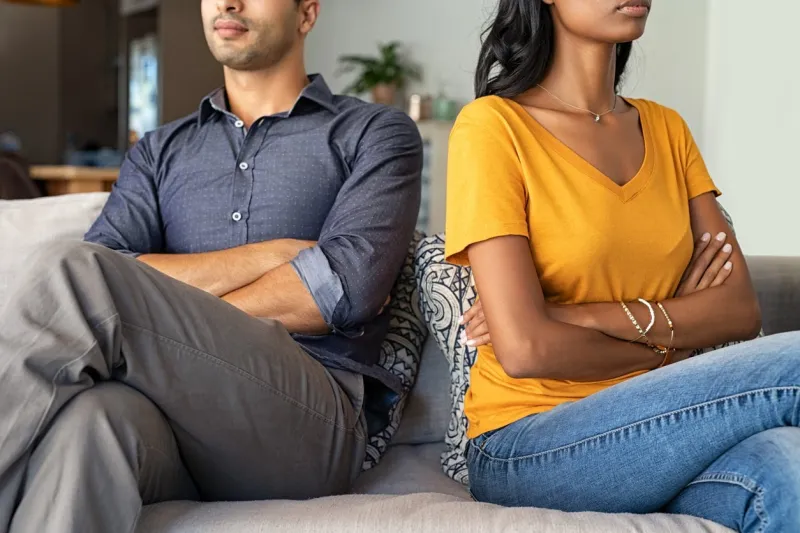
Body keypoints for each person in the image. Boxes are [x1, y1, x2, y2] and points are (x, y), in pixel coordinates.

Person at [0, 0, 422, 532]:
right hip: (173, 417)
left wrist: (152, 312)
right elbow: (110, 263)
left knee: (73, 273)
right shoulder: (159, 151)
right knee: (92, 424)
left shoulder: (376, 133)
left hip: (309, 420)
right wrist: (269, 258)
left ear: (307, 13)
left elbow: (341, 289)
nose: (227, 2)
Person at [446, 1, 800, 532]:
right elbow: (525, 350)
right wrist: (676, 342)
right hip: (530, 442)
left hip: (660, 433)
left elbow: (737, 310)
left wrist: (581, 316)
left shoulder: (666, 127)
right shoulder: (493, 127)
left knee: (787, 469)